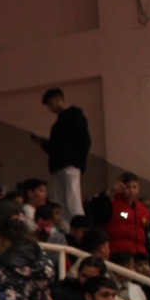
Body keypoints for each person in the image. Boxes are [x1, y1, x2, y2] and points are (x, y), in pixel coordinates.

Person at [34, 88, 90, 220]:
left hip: (69, 163)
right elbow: (55, 147)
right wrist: (43, 143)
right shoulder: (61, 121)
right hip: (60, 164)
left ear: (58, 99)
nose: (50, 108)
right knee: (62, 202)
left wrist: (79, 162)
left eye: (51, 104)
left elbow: (84, 140)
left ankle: (79, 225)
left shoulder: (75, 115)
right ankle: (67, 226)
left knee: (72, 200)